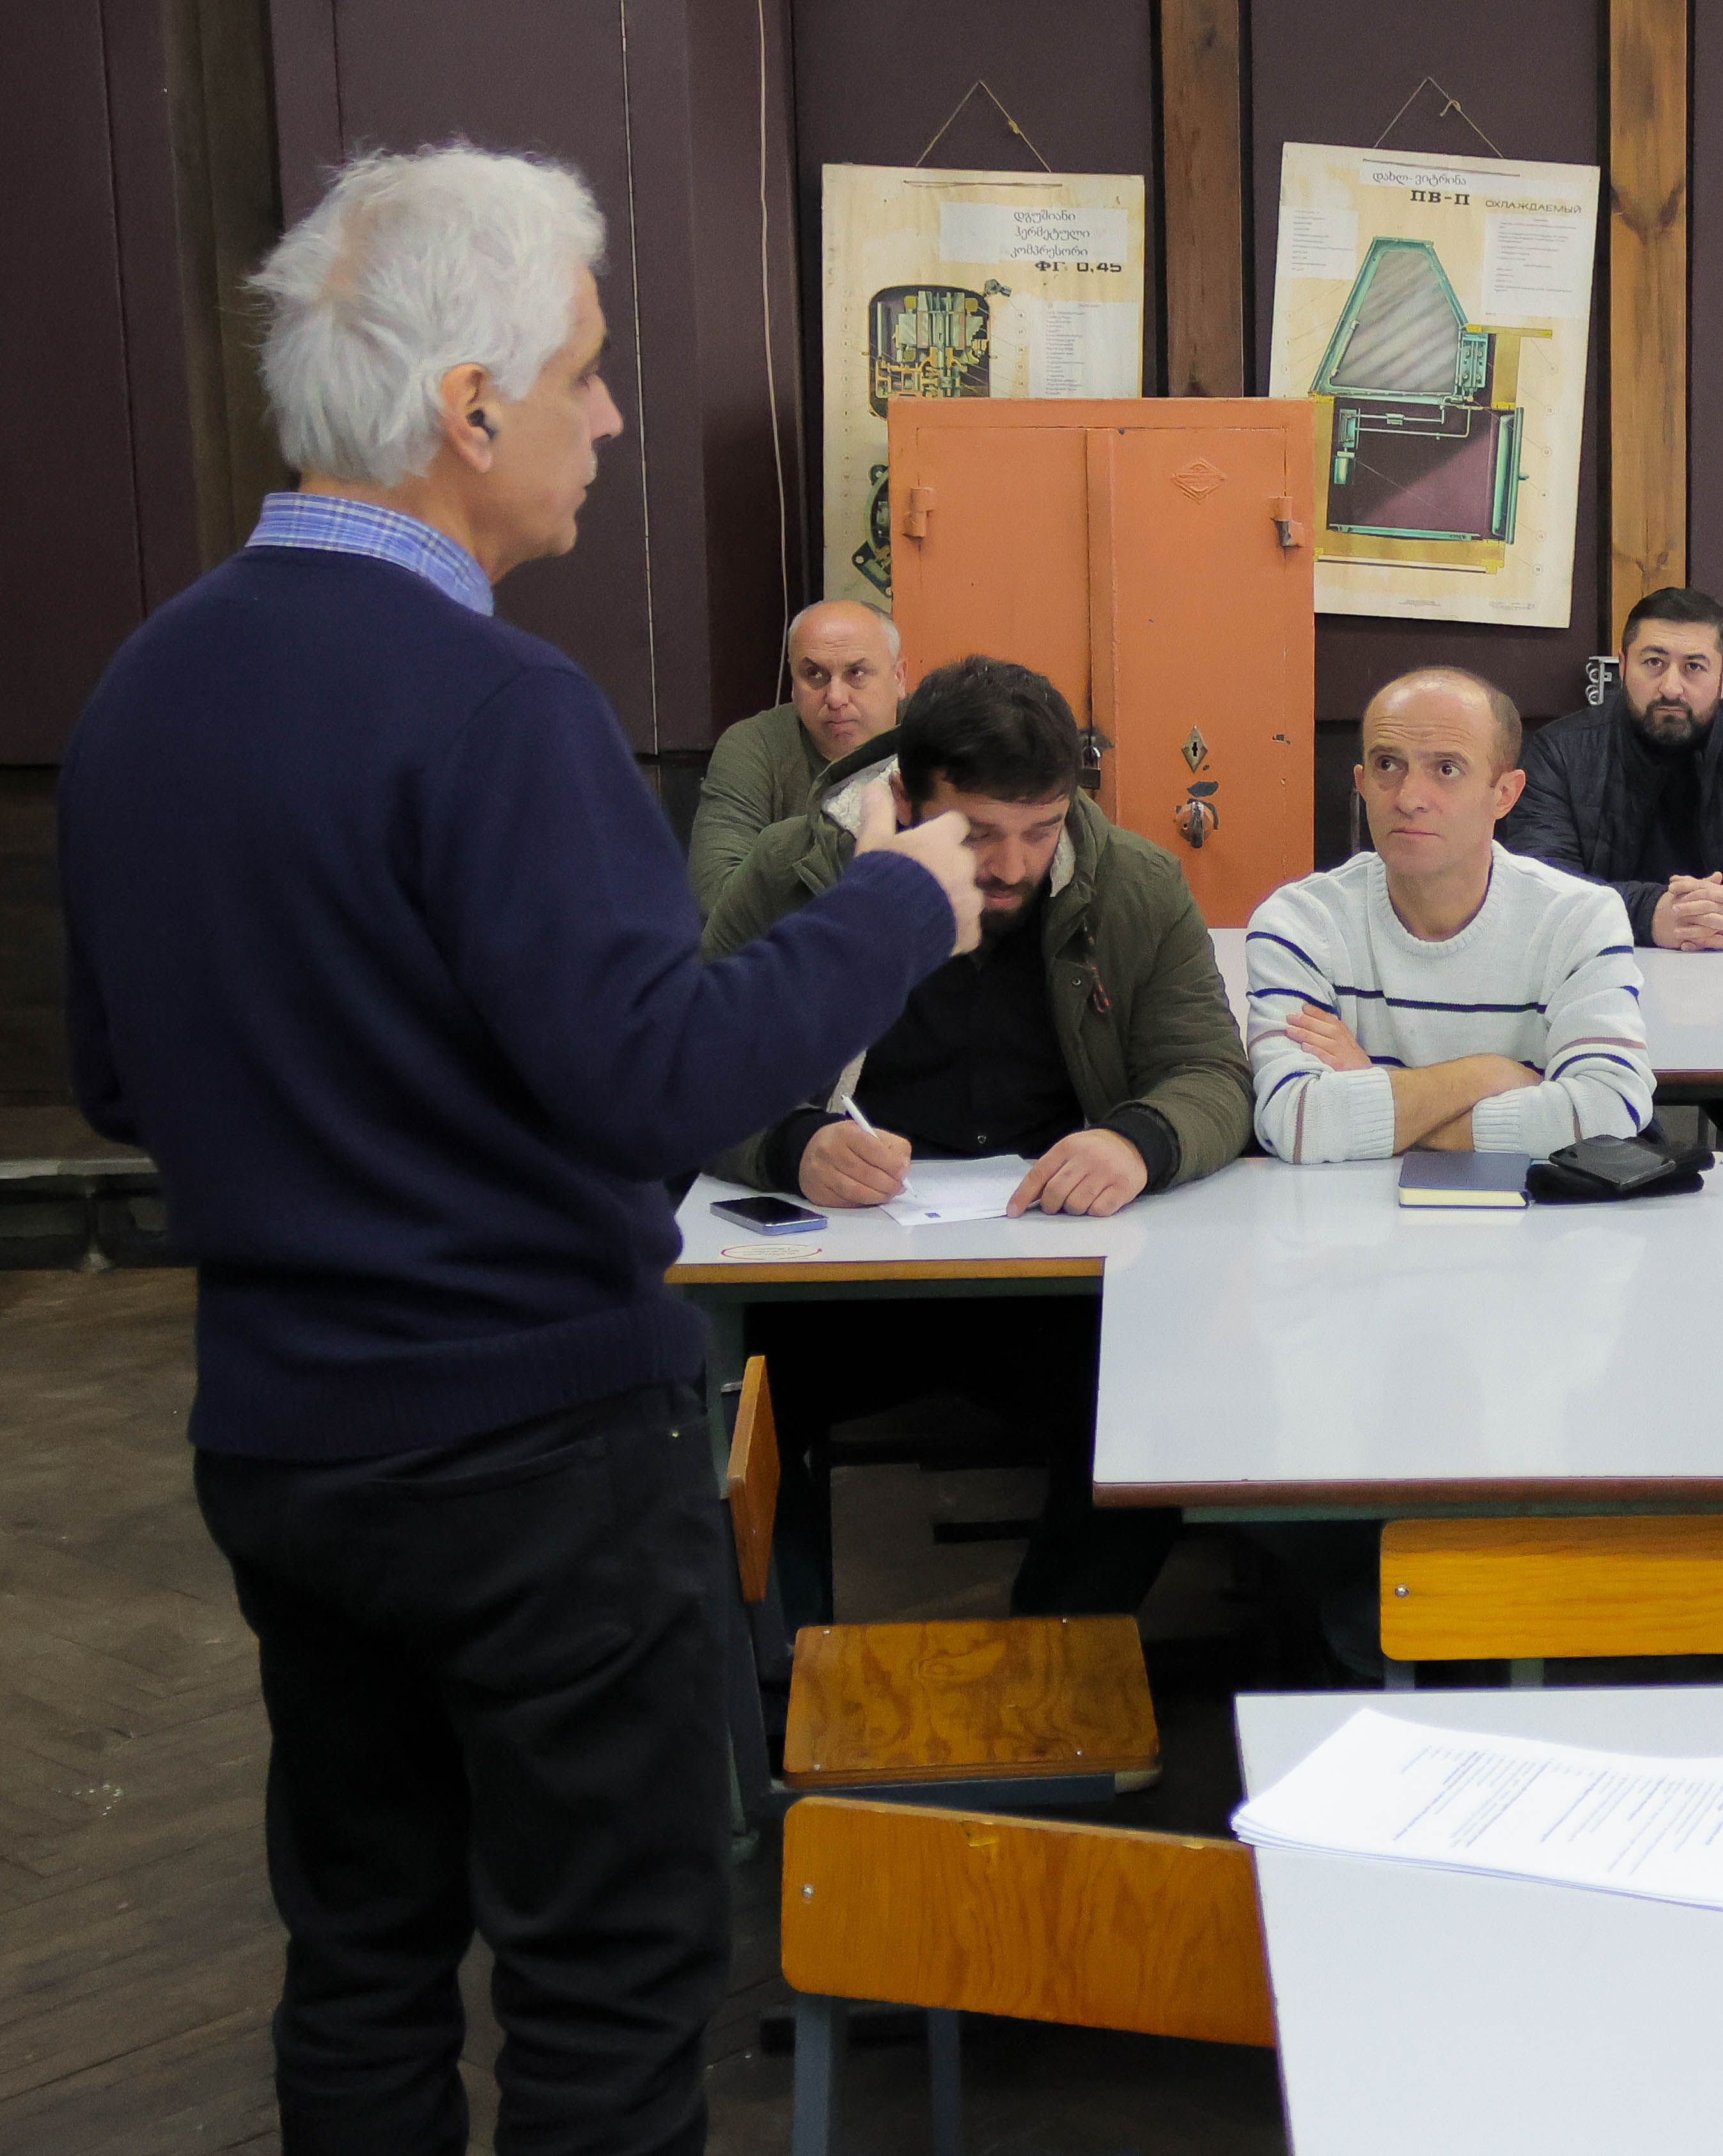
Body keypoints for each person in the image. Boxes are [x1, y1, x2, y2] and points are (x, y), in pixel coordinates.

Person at [57, 148, 983, 2155]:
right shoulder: (501, 707)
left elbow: (118, 1079)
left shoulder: (140, 692)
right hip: (533, 1460)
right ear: (469, 407)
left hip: (285, 1444)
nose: (613, 415)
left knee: (363, 1951)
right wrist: (898, 902)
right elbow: (656, 1080)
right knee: (608, 1976)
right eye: (585, 370)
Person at [703, 653, 1251, 1619]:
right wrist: (794, 1145)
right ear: (904, 801)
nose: (1010, 867)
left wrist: (1136, 1141)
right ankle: (789, 1666)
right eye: (979, 833)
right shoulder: (794, 873)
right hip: (834, 1279)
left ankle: (1056, 1652)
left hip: (1056, 1269)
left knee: (1169, 1405)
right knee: (725, 1426)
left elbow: (1210, 1071)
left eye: (1040, 831)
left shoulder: (1133, 882)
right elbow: (697, 1071)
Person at [1248, 666, 1654, 1161]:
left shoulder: (1578, 919)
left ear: (1505, 794)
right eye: (1387, 764)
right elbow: (1294, 1123)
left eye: (1446, 769)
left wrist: (1376, 1091)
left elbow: (1607, 1115)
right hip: (1350, 1209)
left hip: (1529, 1210)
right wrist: (1487, 1073)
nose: (1409, 798)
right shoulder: (1300, 922)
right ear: (1362, 783)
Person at [1504, 586, 1723, 949]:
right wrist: (1649, 914)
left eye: (1694, 667)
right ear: (1623, 666)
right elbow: (1540, 881)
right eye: (1654, 663)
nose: (1671, 687)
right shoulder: (1560, 752)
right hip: (1603, 959)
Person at [689, 598, 908, 913]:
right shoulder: (755, 745)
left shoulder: (940, 737)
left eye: (856, 673)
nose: (835, 698)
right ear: (793, 687)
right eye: (815, 674)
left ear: (899, 677)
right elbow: (716, 901)